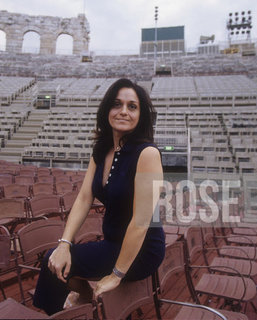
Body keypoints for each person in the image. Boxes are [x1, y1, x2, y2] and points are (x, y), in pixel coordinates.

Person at [33, 78, 165, 315]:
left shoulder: (148, 154)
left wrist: (116, 275)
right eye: (117, 104)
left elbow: (142, 221)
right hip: (113, 242)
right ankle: (83, 295)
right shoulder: (101, 150)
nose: (123, 111)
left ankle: (57, 314)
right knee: (57, 258)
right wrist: (65, 244)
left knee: (49, 263)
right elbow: (84, 198)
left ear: (141, 115)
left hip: (143, 250)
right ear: (107, 110)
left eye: (132, 106)